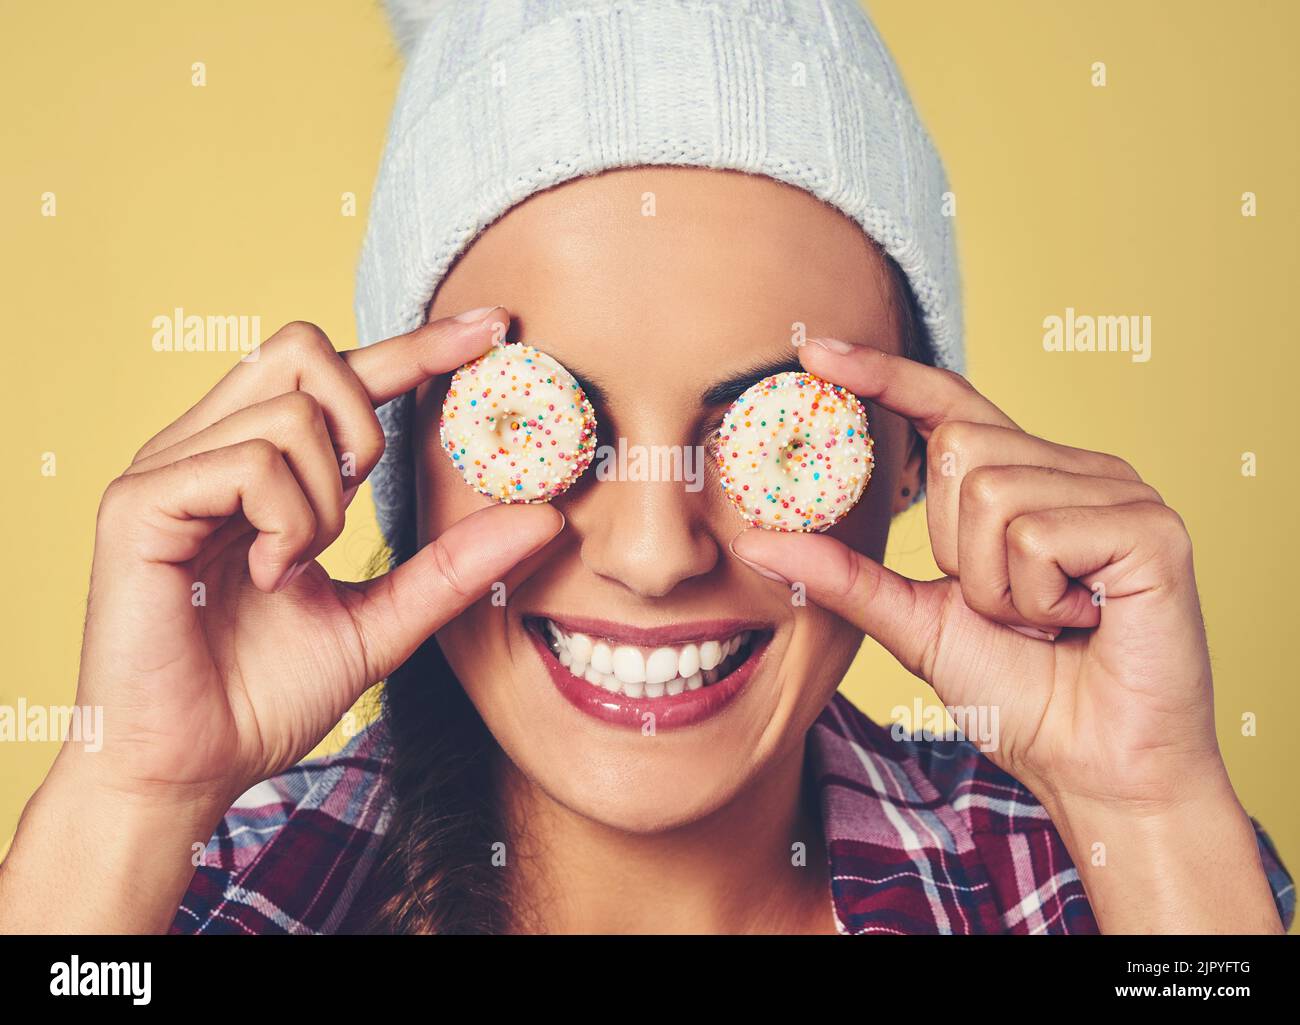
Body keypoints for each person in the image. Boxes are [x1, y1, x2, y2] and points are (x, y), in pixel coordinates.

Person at [0, 0, 1291, 934]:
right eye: (549, 420)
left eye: (768, 417)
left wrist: (1156, 806)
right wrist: (130, 795)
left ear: (915, 457)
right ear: (398, 451)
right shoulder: (207, 900)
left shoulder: (1069, 880)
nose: (655, 549)